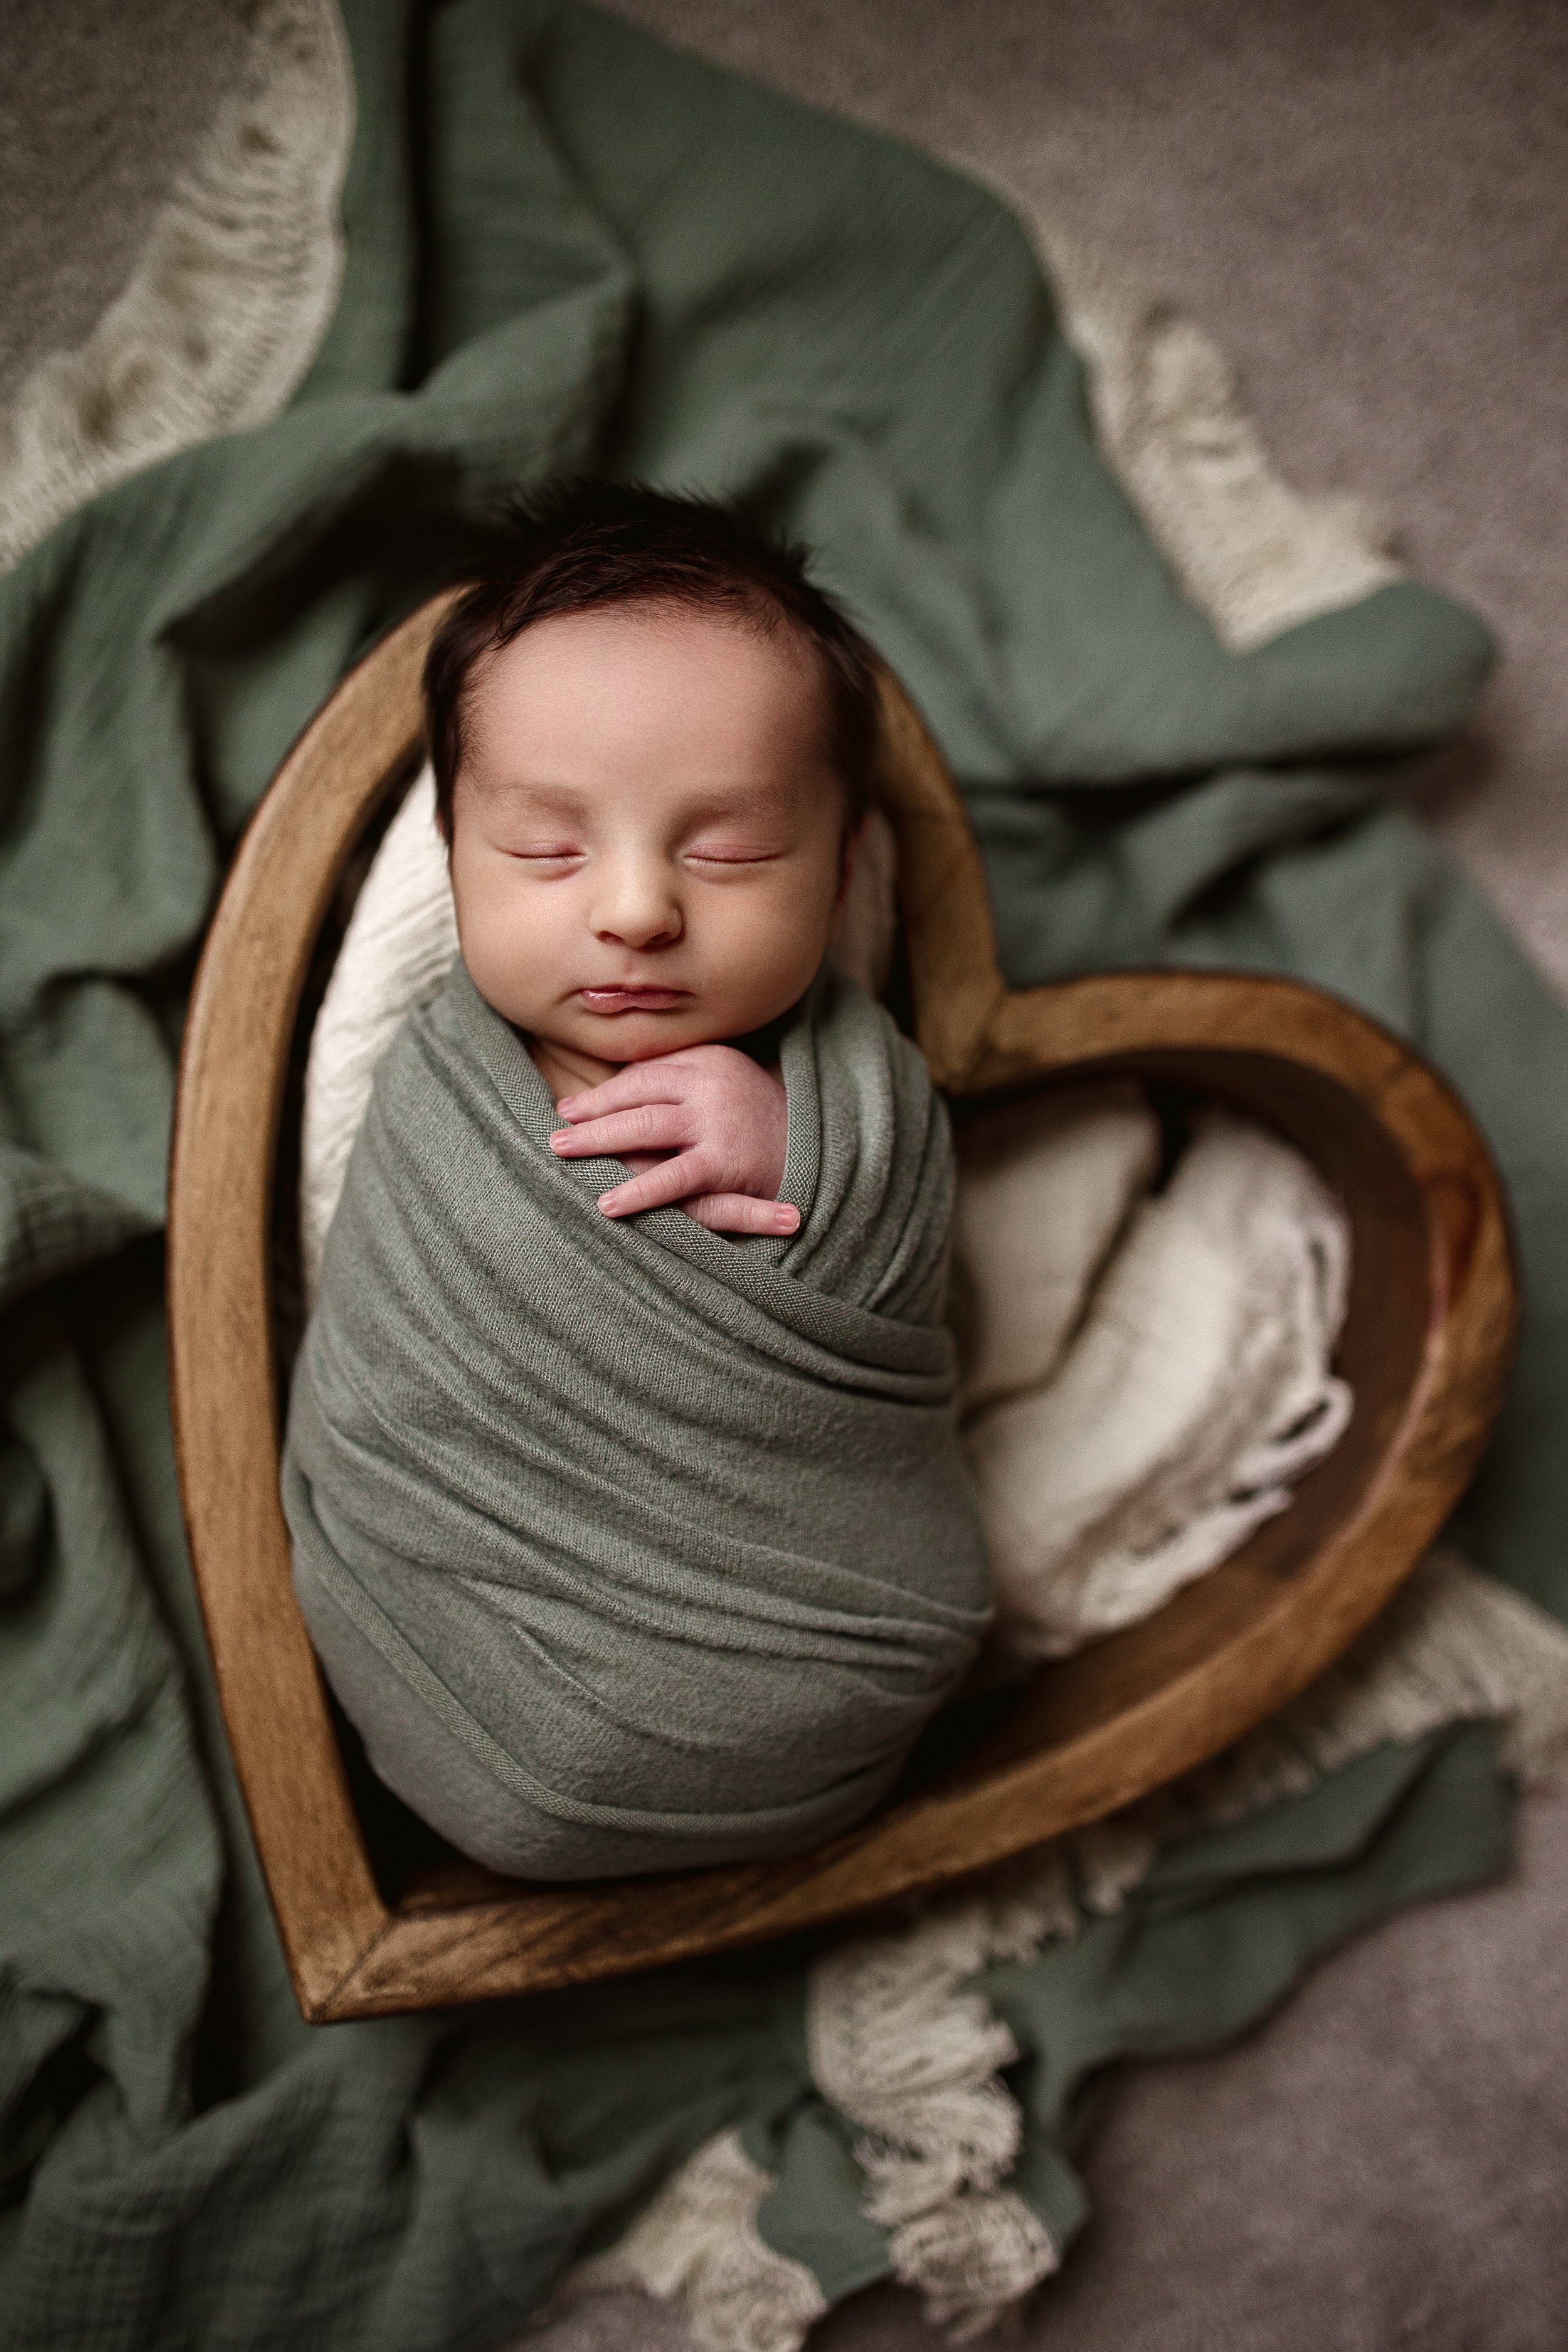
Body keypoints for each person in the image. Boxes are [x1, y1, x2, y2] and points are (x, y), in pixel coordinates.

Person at [282, 482, 991, 1881]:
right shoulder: (436, 1100)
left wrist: (810, 1154)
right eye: (546, 848)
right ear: (452, 857)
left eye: (726, 850)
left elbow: (901, 1265)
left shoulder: (849, 1086)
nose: (635, 909)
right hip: (475, 1662)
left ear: (843, 860)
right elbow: (380, 1374)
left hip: (824, 1644)